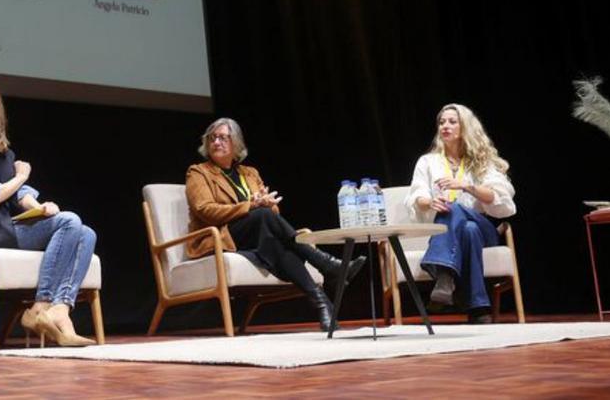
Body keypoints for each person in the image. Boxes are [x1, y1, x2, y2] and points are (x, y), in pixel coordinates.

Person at [0, 75, 96, 346]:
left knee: (85, 232)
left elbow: (19, 196)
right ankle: (42, 306)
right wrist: (21, 177)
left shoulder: (4, 153)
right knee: (71, 222)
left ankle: (58, 310)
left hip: (9, 227)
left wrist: (41, 208)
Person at [185, 118, 365, 332]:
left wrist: (268, 204)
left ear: (237, 144)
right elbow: (205, 210)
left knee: (276, 243)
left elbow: (273, 214)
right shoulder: (198, 172)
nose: (216, 142)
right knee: (261, 216)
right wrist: (251, 205)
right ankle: (325, 263)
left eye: (223, 137)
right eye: (212, 138)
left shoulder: (249, 173)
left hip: (258, 236)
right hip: (223, 235)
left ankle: (322, 304)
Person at [406, 103, 516, 324]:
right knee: (468, 229)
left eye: (452, 122)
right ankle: (478, 307)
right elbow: (416, 196)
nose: (445, 126)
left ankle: (444, 275)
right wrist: (430, 201)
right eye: (441, 122)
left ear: (464, 127)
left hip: (486, 229)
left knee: (460, 212)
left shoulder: (481, 162)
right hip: (461, 233)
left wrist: (466, 186)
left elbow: (502, 198)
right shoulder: (427, 161)